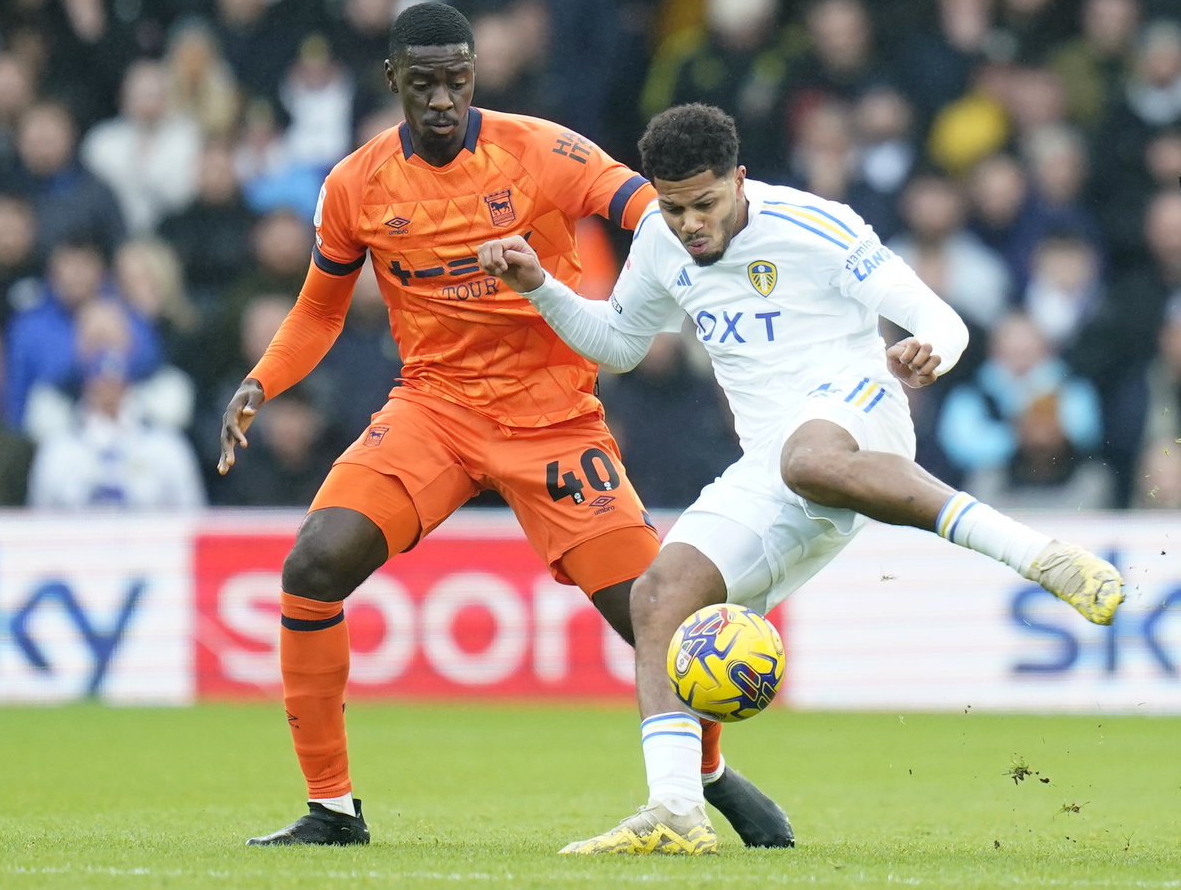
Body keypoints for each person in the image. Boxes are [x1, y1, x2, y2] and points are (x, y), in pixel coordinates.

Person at [477, 103, 1125, 856]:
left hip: (860, 411)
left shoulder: (818, 225)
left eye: (705, 203)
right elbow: (619, 344)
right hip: (772, 463)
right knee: (659, 595)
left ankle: (1038, 554)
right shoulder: (658, 238)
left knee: (806, 457)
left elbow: (940, 318)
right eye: (673, 205)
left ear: (739, 181)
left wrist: (930, 351)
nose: (689, 223)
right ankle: (677, 809)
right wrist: (540, 288)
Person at [218, 3, 790, 850]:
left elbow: (638, 206)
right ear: (393, 84)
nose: (443, 99)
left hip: (553, 420)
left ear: (475, 76)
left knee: (655, 618)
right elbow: (320, 309)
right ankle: (332, 809)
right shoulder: (355, 184)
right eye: (424, 84)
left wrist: (711, 260)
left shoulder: (540, 151)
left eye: (457, 80)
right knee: (312, 565)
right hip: (434, 410)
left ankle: (703, 774)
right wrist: (262, 381)